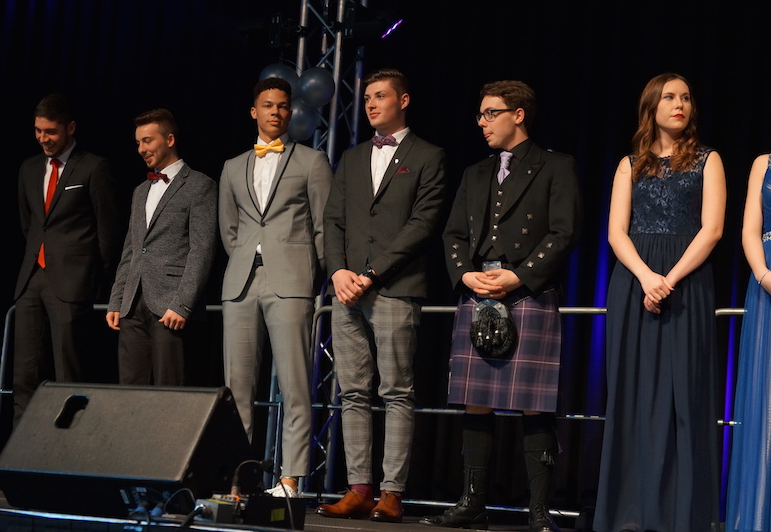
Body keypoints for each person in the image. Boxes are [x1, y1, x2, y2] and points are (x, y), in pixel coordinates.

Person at [421, 80, 582, 532]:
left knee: (535, 405)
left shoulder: (556, 166)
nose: (482, 122)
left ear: (518, 115)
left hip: (528, 292)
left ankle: (538, 511)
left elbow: (564, 232)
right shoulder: (474, 173)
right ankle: (472, 505)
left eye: (491, 113)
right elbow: (453, 234)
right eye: (480, 114)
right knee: (475, 401)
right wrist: (464, 275)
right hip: (478, 293)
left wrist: (521, 275)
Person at [594, 73, 725, 532]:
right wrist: (648, 277)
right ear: (651, 106)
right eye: (670, 97)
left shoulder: (708, 160)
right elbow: (616, 233)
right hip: (635, 282)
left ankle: (683, 515)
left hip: (687, 282)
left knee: (685, 395)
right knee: (633, 395)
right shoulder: (629, 164)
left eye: (685, 97)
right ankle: (629, 512)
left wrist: (669, 279)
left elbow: (712, 229)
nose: (679, 104)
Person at [315, 68, 447, 522]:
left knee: (396, 391)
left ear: (403, 100)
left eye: (380, 96)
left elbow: (422, 225)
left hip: (394, 287)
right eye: (367, 97)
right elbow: (333, 220)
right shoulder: (351, 157)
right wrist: (337, 272)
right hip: (346, 289)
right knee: (352, 391)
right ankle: (359, 488)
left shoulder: (428, 155)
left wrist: (370, 274)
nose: (370, 104)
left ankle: (392, 493)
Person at [219, 77, 333, 498]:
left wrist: (311, 276)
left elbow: (323, 228)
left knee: (295, 386)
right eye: (268, 105)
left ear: (290, 112)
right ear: (255, 111)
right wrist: (248, 258)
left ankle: (290, 479)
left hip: (291, 281)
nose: (276, 112)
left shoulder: (312, 161)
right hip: (242, 282)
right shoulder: (232, 167)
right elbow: (229, 231)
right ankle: (239, 480)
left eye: (283, 106)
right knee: (237, 390)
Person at [13, 93, 120, 425]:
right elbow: (30, 224)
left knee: (68, 373)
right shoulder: (29, 168)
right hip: (32, 278)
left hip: (72, 282)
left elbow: (107, 231)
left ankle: (67, 447)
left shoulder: (93, 167)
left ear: (70, 128)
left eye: (51, 131)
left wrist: (94, 276)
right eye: (38, 130)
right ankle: (23, 449)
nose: (43, 138)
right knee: (24, 375)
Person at [106, 108, 217, 386]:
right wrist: (117, 300)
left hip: (171, 306)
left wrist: (182, 304)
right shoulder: (140, 191)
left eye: (147, 141)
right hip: (133, 304)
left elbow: (201, 251)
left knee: (169, 391)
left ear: (169, 139)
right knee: (130, 390)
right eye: (138, 143)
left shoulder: (200, 185)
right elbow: (131, 249)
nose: (141, 149)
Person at [725, 153, 771, 531]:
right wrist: (764, 276)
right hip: (767, 286)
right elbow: (750, 231)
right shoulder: (764, 163)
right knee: (765, 399)